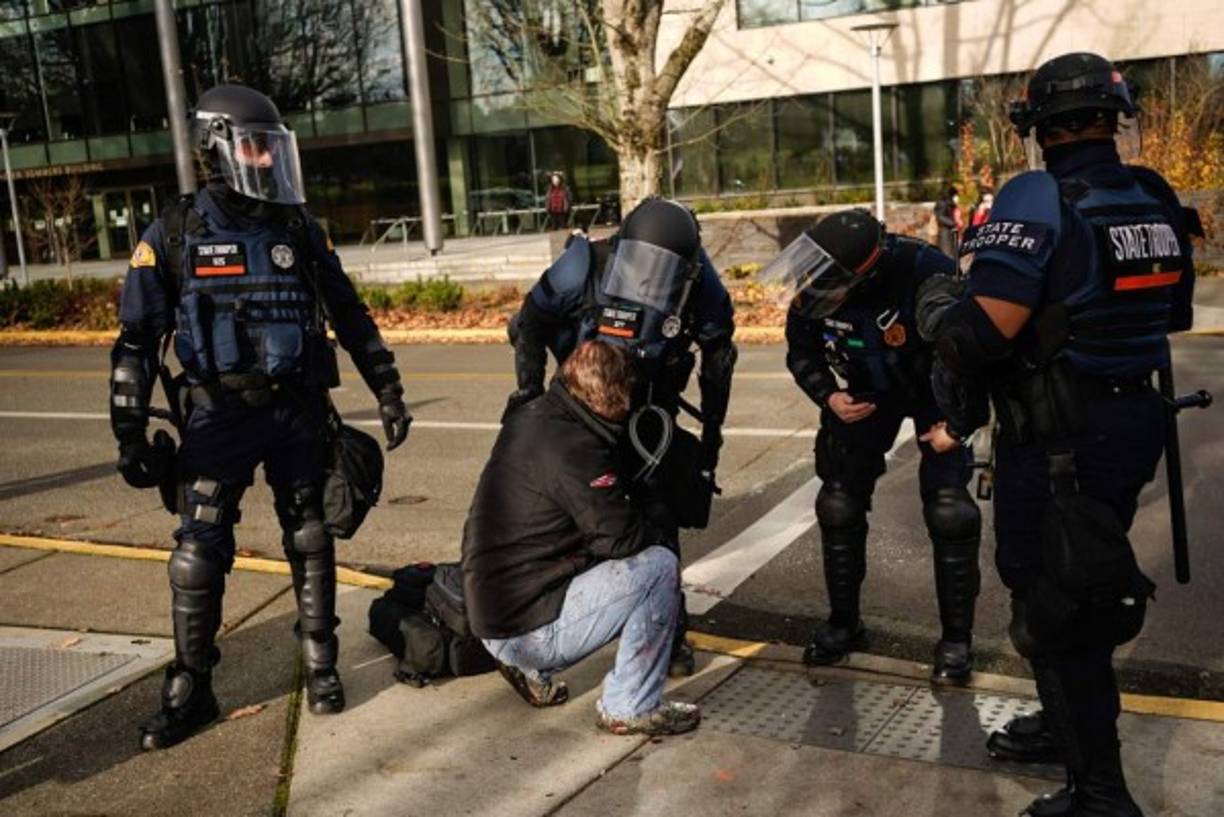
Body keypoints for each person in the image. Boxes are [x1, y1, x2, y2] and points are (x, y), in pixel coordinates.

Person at [919, 52, 1196, 816]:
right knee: (1072, 579)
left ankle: (1099, 793)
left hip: (1059, 434)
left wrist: (942, 308)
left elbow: (985, 334)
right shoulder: (1151, 195)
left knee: (1058, 601)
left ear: (1038, 124)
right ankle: (1062, 724)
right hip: (1129, 418)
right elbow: (1171, 316)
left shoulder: (1038, 196)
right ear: (1115, 114)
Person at [109, 84, 411, 751]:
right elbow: (136, 341)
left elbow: (350, 312)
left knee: (309, 531)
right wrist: (129, 432)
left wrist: (386, 385)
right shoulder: (178, 230)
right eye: (253, 145)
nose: (266, 160)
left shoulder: (298, 227)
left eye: (272, 148)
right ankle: (193, 685)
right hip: (219, 415)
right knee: (197, 553)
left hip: (298, 408)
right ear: (216, 148)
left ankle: (320, 661)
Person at [504, 196, 737, 677]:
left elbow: (718, 354)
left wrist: (712, 433)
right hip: (578, 405)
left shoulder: (700, 281)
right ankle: (543, 629)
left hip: (650, 407)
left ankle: (669, 635)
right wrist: (528, 394)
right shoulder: (583, 265)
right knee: (567, 516)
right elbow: (530, 322)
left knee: (658, 516)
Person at [771, 208, 981, 684]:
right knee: (838, 502)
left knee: (951, 511)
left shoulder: (924, 270)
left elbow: (968, 350)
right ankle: (844, 625)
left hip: (935, 391)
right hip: (865, 391)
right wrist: (828, 395)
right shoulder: (816, 278)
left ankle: (956, 641)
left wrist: (960, 420)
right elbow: (800, 349)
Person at [463, 340, 699, 736]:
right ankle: (629, 706)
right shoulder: (575, 448)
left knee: (590, 550)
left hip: (492, 610)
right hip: (525, 633)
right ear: (613, 395)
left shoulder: (533, 416)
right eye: (627, 393)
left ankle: (530, 669)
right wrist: (656, 521)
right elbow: (619, 539)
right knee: (658, 566)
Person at [934, 186, 960, 257]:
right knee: (948, 254)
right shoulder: (943, 203)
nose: (957, 197)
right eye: (956, 195)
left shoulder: (949, 204)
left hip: (949, 231)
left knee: (953, 254)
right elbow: (940, 217)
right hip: (945, 233)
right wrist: (953, 223)